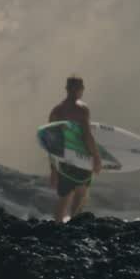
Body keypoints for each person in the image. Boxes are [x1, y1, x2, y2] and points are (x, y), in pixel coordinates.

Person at [48, 76, 102, 223]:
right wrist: (96, 157)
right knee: (81, 193)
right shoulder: (82, 109)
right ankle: (74, 225)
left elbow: (51, 142)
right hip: (81, 157)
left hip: (64, 159)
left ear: (66, 89)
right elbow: (87, 136)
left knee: (64, 197)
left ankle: (57, 227)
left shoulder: (56, 111)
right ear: (80, 89)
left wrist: (53, 169)